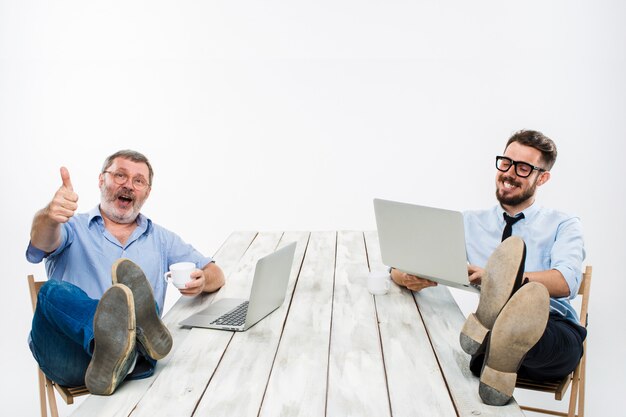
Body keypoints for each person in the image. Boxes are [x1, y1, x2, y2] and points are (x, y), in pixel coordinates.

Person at [390, 130, 587, 405]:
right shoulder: (469, 222)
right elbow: (421, 259)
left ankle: (502, 332)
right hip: (492, 338)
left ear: (542, 177)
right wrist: (401, 274)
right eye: (505, 162)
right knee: (492, 340)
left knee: (518, 329)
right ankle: (497, 340)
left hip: (551, 328)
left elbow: (565, 281)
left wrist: (502, 280)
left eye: (523, 168)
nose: (509, 173)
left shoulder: (563, 224)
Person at [27, 150, 225, 395]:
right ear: (101, 180)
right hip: (72, 355)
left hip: (129, 363)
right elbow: (40, 242)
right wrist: (49, 216)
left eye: (138, 180)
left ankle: (128, 354)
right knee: (51, 292)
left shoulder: (161, 239)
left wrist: (203, 279)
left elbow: (215, 272)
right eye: (120, 175)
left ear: (147, 192)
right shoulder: (71, 227)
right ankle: (117, 345)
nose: (129, 185)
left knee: (142, 303)